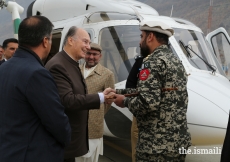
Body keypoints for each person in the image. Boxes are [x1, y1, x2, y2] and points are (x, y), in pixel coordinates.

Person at [114, 21, 191, 162]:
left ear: (150, 37)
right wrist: (117, 91)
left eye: (141, 37)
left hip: (156, 147)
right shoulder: (176, 61)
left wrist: (123, 101)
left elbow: (147, 103)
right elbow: (152, 91)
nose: (139, 42)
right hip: (178, 143)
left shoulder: (152, 62)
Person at [0, 16, 71, 162]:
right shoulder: (37, 73)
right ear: (45, 41)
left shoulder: (4, 67)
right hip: (32, 153)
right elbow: (56, 122)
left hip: (9, 150)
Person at [45, 26, 115, 162]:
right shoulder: (59, 65)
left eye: (89, 43)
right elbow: (67, 100)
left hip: (73, 137)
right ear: (71, 40)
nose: (88, 47)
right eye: (85, 42)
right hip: (64, 138)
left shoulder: (70, 63)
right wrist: (101, 97)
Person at [75, 43, 115, 162]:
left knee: (89, 157)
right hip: (75, 122)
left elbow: (109, 101)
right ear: (84, 54)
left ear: (100, 56)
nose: (91, 57)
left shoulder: (107, 74)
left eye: (95, 54)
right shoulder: (76, 70)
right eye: (88, 53)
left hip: (93, 126)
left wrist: (97, 114)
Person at [126, 55, 143, 162]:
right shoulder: (140, 62)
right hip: (140, 113)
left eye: (143, 37)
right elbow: (130, 84)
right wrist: (134, 105)